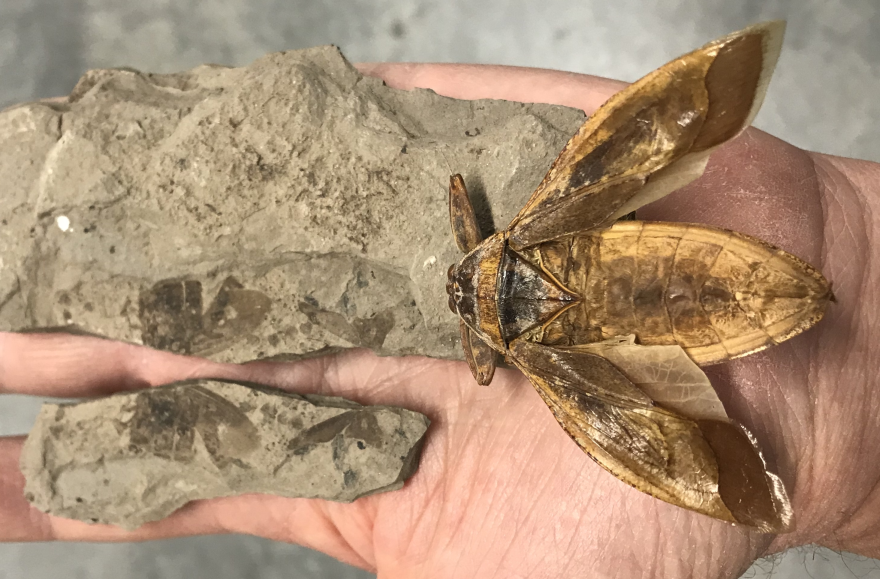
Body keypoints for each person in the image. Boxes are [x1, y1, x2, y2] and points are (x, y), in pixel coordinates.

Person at [0, 62, 877, 579]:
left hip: (680, 312)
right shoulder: (551, 222)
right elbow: (657, 122)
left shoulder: (567, 383)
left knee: (648, 436)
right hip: (685, 271)